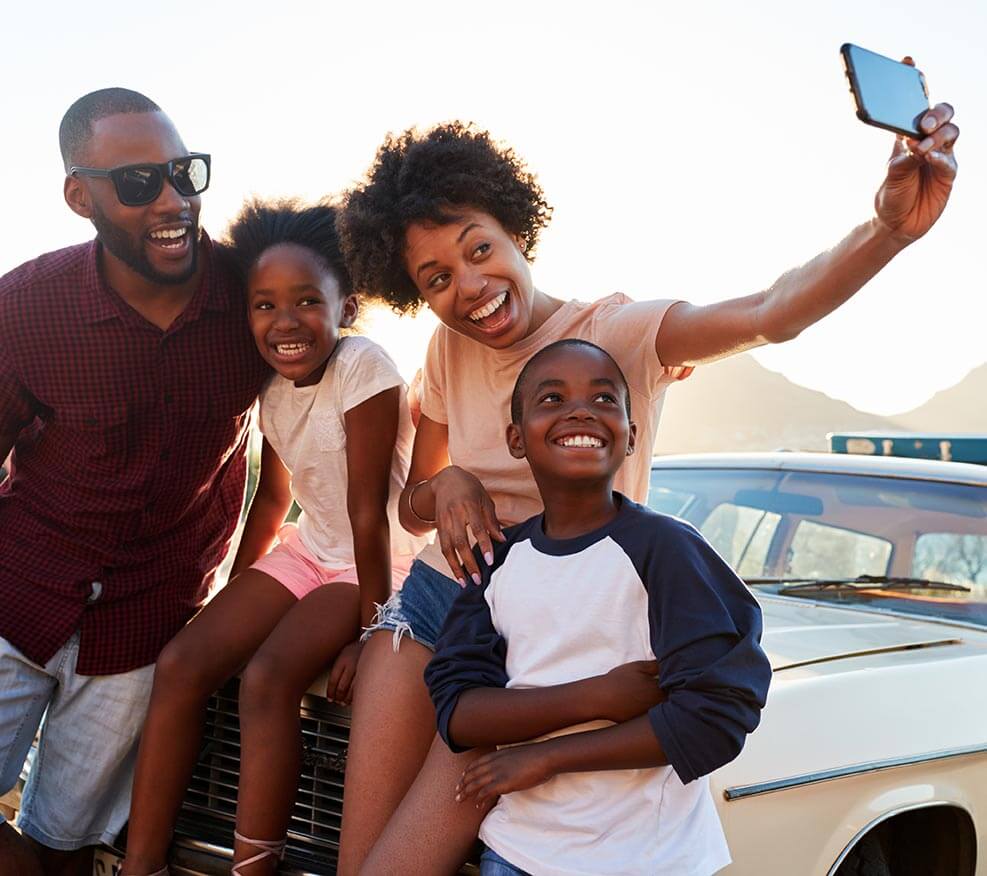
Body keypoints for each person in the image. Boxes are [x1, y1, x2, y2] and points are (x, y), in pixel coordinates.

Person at [333, 103, 958, 875]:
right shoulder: (445, 348)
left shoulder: (614, 332)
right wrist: (450, 481)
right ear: (416, 294)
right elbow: (413, 500)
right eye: (437, 278)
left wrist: (888, 230)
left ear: (515, 230)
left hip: (541, 636)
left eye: (479, 249)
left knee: (408, 854)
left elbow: (772, 313)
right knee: (355, 855)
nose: (469, 286)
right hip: (433, 600)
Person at [0, 88, 270, 876]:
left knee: (69, 845)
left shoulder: (255, 301)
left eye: (184, 173)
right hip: (15, 598)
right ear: (79, 195)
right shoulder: (23, 308)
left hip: (147, 622)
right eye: (139, 183)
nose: (173, 201)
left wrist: (241, 597)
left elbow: (297, 454)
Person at [120, 200, 424, 876]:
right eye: (263, 304)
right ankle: (141, 864)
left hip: (375, 565)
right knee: (182, 663)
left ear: (346, 306)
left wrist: (375, 632)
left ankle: (251, 867)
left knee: (266, 680)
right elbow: (276, 495)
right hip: (310, 549)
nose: (284, 321)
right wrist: (233, 599)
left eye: (306, 300)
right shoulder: (272, 386)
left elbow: (368, 512)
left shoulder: (364, 368)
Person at [425, 339, 771, 875]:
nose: (580, 410)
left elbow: (717, 716)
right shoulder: (496, 562)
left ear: (631, 436)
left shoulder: (668, 550)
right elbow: (458, 710)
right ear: (517, 439)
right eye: (553, 398)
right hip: (518, 853)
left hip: (648, 859)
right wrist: (596, 696)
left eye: (604, 399)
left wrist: (546, 756)